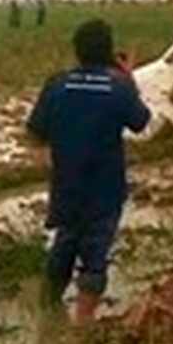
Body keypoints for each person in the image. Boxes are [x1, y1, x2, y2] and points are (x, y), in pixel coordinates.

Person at [27, 19, 152, 324]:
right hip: (105, 188)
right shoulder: (118, 87)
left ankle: (48, 315)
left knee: (64, 244)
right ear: (109, 51)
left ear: (77, 51)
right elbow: (141, 122)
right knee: (95, 256)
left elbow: (34, 132)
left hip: (67, 185)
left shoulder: (57, 84)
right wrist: (129, 79)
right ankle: (83, 325)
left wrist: (51, 158)